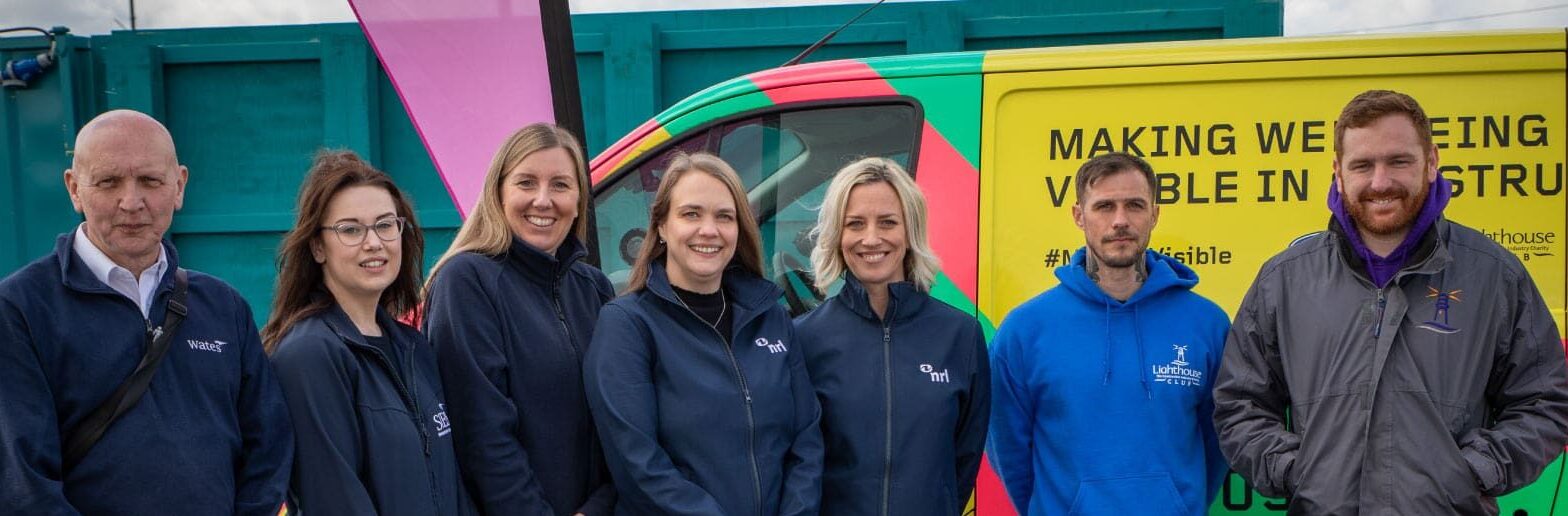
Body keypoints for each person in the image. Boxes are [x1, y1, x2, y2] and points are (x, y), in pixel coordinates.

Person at [1213, 89, 1568, 513]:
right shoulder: (1284, 280)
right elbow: (1240, 404)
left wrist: (1473, 471)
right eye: (1362, 165)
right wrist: (1296, 471)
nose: (1380, 182)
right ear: (1338, 173)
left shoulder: (1493, 275)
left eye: (1398, 161)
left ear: (1431, 161)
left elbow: (1546, 400)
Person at [0, 109, 292, 514]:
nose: (131, 202)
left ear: (179, 186)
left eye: (151, 181)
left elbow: (269, 446)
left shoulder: (223, 306)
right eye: (108, 182)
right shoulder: (20, 309)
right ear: (74, 188)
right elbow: (22, 483)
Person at [988, 152, 1230, 515]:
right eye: (1104, 206)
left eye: (1134, 205)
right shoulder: (1025, 330)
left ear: (1155, 213)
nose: (1120, 221)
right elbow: (1009, 450)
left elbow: (1219, 440)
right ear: (1078, 216)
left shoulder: (1206, 323)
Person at [584, 151, 823, 515]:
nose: (708, 230)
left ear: (738, 229)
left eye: (724, 216)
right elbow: (639, 465)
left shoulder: (772, 318)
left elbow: (807, 439)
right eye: (691, 214)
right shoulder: (627, 325)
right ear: (662, 226)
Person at [264, 151, 474, 515]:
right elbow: (335, 501)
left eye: (385, 225)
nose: (374, 242)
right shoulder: (310, 355)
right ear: (317, 247)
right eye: (350, 229)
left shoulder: (414, 347)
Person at [424, 122, 616, 516]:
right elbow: (482, 437)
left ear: (580, 200)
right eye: (526, 183)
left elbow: (620, 423)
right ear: (498, 193)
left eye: (561, 185)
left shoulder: (594, 288)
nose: (543, 200)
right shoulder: (466, 282)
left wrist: (598, 508)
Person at [792, 157, 989, 515]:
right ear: (838, 235)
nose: (871, 238)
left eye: (888, 222)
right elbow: (798, 464)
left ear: (910, 231)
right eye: (855, 224)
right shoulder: (804, 339)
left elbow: (963, 460)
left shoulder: (959, 335)